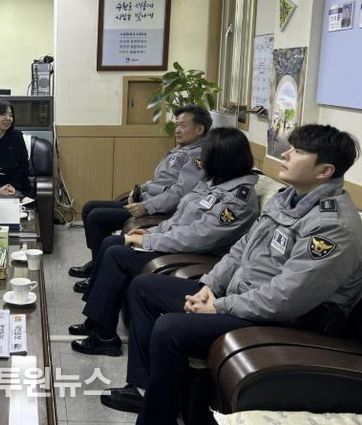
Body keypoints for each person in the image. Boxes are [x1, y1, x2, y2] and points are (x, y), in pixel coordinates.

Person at [100, 124, 362, 425]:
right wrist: (209, 285)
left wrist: (219, 307)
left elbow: (288, 297)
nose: (286, 155)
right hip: (243, 296)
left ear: (324, 171)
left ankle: (157, 419)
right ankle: (144, 389)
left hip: (290, 318)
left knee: (170, 329)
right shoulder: (287, 198)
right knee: (145, 287)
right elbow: (240, 248)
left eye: (298, 151)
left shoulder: (332, 226)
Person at [69, 128, 259, 356]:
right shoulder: (214, 182)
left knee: (116, 253)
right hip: (176, 244)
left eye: (207, 154)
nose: (202, 160)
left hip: (195, 256)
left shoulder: (238, 199)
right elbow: (180, 217)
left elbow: (198, 237)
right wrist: (151, 231)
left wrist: (149, 240)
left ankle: (104, 335)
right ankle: (96, 322)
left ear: (223, 158)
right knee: (113, 243)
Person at [68, 105, 212, 280]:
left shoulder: (197, 158)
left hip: (161, 211)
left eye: (183, 126)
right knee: (89, 207)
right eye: (177, 125)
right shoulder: (183, 149)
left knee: (97, 217)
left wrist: (146, 206)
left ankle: (97, 272)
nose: (177, 130)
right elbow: (161, 181)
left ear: (199, 129)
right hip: (148, 201)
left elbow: (179, 193)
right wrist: (139, 189)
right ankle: (96, 262)